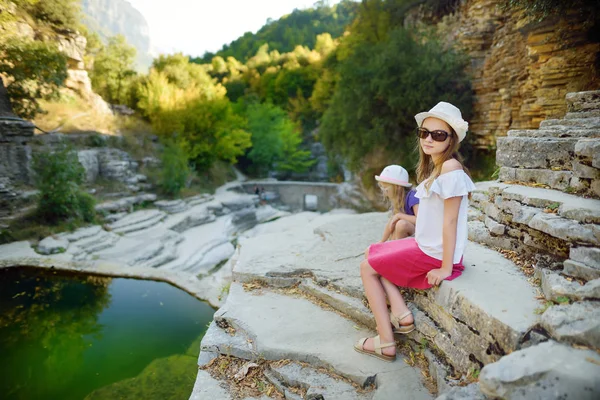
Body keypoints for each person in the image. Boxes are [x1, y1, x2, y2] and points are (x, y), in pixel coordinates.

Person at [354, 101, 476, 362]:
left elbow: (450, 221)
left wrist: (445, 268)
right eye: (424, 133)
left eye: (438, 134)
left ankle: (385, 340)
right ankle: (400, 311)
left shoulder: (451, 169)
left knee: (367, 267)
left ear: (451, 139)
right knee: (373, 252)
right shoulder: (438, 166)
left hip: (433, 253)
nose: (429, 139)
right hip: (426, 245)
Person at [375, 165, 419, 243]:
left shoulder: (413, 197)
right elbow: (391, 222)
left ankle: (397, 248)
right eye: (381, 187)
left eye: (385, 188)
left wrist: (399, 216)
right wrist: (382, 241)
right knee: (394, 225)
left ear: (398, 188)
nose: (383, 191)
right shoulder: (397, 200)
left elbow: (420, 220)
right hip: (408, 235)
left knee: (401, 224)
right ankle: (394, 246)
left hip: (419, 234)